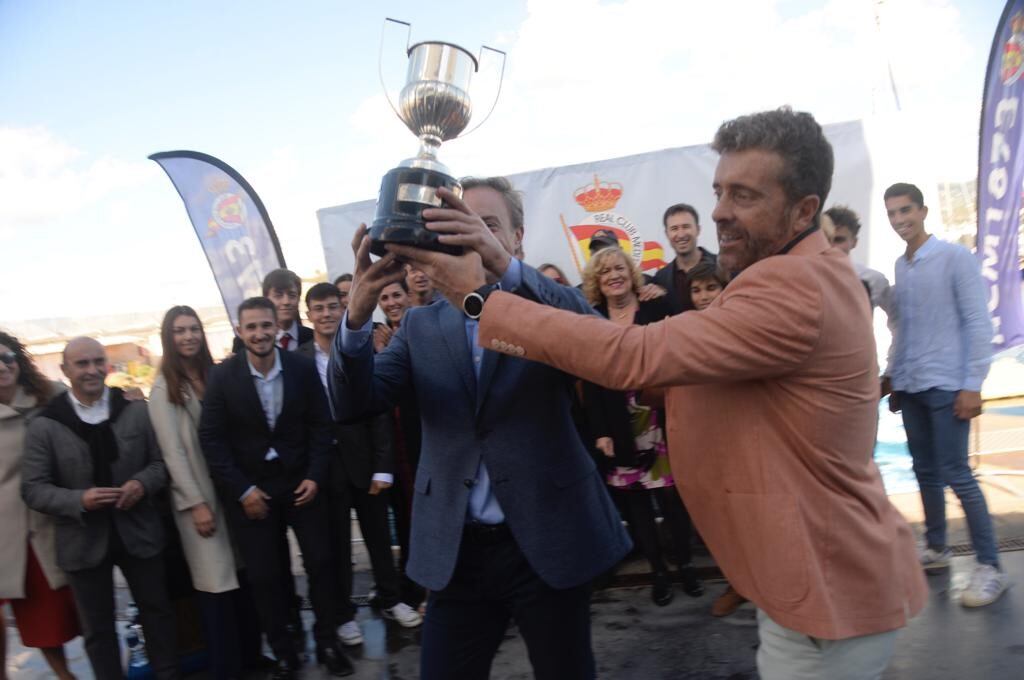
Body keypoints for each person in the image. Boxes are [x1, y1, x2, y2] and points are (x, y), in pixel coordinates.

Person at [400, 109, 928, 680]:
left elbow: (634, 357)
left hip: (829, 596)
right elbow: (674, 374)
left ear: (804, 210)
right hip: (809, 587)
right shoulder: (785, 274)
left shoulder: (793, 285)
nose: (720, 212)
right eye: (720, 191)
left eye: (744, 195)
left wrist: (481, 300)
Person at [330, 176, 631, 680]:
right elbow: (352, 403)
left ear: (516, 237)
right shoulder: (422, 326)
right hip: (458, 552)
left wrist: (503, 270)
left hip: (545, 540)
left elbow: (595, 340)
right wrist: (357, 314)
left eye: (485, 225)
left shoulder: (541, 305)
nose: (468, 233)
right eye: (457, 222)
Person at [199, 297, 352, 678]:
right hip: (253, 491)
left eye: (265, 325)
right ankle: (285, 650)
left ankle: (328, 641)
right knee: (266, 576)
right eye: (250, 327)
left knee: (321, 563)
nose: (259, 333)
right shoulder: (223, 377)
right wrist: (243, 490)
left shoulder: (300, 368)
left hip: (302, 483)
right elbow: (212, 440)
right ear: (239, 331)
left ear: (277, 327)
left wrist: (315, 475)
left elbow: (321, 425)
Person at [21, 337, 180, 680]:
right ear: (65, 370)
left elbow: (160, 464)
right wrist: (79, 500)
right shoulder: (45, 425)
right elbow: (33, 489)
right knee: (98, 630)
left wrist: (141, 484)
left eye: (97, 362)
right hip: (82, 541)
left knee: (159, 615)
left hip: (138, 532)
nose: (92, 370)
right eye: (82, 364)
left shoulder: (135, 410)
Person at [882, 182, 1007, 607]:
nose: (900, 220)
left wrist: (973, 384)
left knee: (958, 476)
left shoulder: (955, 257)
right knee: (925, 472)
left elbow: (978, 323)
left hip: (949, 384)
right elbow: (903, 329)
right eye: (893, 214)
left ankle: (991, 566)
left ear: (923, 210)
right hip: (913, 385)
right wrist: (896, 377)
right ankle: (936, 549)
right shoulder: (901, 265)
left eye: (906, 211)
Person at [297, 283, 422, 645]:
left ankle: (391, 598)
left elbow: (379, 411)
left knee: (379, 539)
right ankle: (343, 614)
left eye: (332, 307)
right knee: (336, 546)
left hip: (366, 463)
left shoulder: (361, 349)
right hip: (324, 470)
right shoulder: (298, 360)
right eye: (318, 308)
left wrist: (384, 467)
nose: (325, 314)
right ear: (309, 315)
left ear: (343, 309)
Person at [579, 248, 703, 606]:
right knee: (638, 507)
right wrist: (600, 430)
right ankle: (658, 572)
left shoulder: (656, 305)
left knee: (673, 500)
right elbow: (591, 380)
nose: (614, 276)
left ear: (632, 273)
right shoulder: (594, 318)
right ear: (597, 283)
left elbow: (684, 341)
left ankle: (685, 565)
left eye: (619, 268)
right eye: (605, 273)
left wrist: (663, 296)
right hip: (619, 423)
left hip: (662, 417)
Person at [148, 306, 264, 679]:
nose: (188, 337)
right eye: (180, 331)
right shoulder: (165, 387)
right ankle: (226, 669)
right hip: (200, 500)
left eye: (194, 329)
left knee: (243, 581)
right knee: (216, 589)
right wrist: (196, 503)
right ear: (169, 337)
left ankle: (252, 657)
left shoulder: (214, 375)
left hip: (232, 493)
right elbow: (173, 453)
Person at [0, 332, 79, 680]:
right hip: (10, 533)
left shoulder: (50, 395)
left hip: (55, 520)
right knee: (37, 616)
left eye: (7, 357)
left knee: (67, 611)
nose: (2, 367)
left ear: (18, 359)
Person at [822, 205, 892, 312]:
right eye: (826, 239)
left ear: (854, 242)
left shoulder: (874, 280)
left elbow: (897, 319)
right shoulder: (804, 275)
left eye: (838, 240)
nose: (831, 246)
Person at [651, 203, 718, 315]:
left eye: (686, 227)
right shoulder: (661, 278)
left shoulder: (723, 266)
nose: (681, 234)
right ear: (667, 234)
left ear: (698, 229)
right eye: (674, 229)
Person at [231, 269, 313, 354]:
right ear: (266, 299)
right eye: (278, 295)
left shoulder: (311, 337)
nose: (286, 302)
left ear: (299, 299)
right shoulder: (244, 342)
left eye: (292, 295)